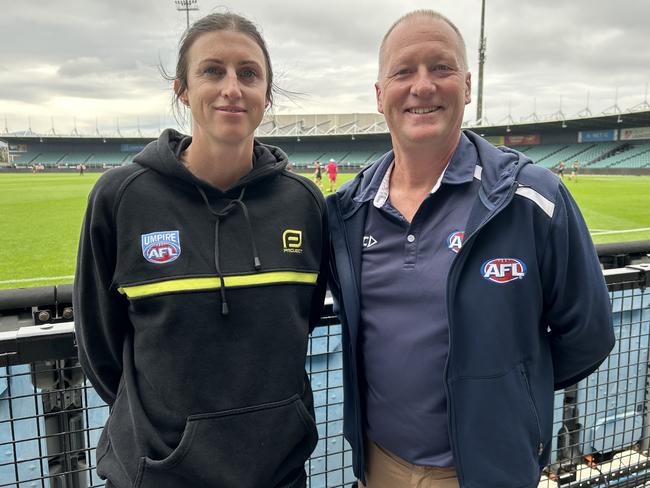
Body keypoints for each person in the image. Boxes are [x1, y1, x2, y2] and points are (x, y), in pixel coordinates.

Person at [326, 10, 614, 488]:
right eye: (403, 71)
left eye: (440, 68)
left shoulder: (532, 199)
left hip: (489, 474)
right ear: (380, 95)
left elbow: (589, 333)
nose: (422, 86)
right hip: (380, 468)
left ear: (467, 85)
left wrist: (509, 394)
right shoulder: (348, 212)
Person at [74, 12, 328, 488]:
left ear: (266, 93)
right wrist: (171, 445)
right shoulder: (122, 197)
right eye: (213, 70)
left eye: (248, 73)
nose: (232, 86)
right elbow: (100, 345)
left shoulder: (305, 204)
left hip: (278, 475)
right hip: (159, 477)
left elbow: (301, 318)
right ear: (183, 89)